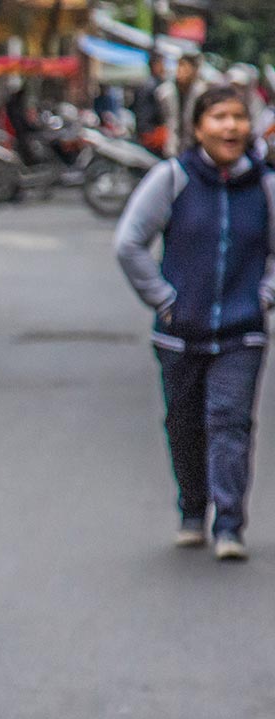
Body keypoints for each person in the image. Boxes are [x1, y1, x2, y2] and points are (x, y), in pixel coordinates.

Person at [115, 84, 275, 561]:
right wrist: (163, 299)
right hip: (179, 333)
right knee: (183, 424)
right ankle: (192, 509)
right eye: (219, 117)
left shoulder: (265, 185)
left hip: (242, 332)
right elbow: (129, 243)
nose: (230, 127)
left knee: (230, 423)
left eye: (238, 118)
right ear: (198, 127)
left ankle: (229, 524)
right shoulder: (172, 179)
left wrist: (264, 294)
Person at [134, 51, 173, 155]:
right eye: (162, 64)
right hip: (151, 132)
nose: (164, 68)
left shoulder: (147, 83)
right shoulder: (154, 86)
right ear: (155, 65)